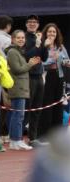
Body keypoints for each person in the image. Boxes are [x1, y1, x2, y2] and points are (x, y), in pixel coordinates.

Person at [6, 31, 41, 150]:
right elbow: (17, 69)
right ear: (13, 39)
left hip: (22, 87)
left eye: (22, 38)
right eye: (18, 38)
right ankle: (16, 140)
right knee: (18, 115)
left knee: (17, 114)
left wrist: (29, 64)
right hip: (17, 87)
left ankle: (14, 140)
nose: (21, 40)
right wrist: (29, 64)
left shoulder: (19, 52)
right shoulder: (12, 52)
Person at [38, 23, 69, 137]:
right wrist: (52, 60)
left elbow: (66, 59)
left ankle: (57, 134)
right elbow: (40, 63)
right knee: (47, 105)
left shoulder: (60, 46)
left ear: (57, 34)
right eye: (49, 31)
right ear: (45, 33)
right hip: (47, 77)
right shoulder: (42, 46)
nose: (52, 34)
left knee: (58, 105)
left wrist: (66, 62)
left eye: (54, 32)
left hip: (59, 77)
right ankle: (44, 133)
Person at [22, 15, 47, 145]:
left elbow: (44, 57)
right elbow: (27, 56)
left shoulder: (38, 37)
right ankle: (17, 138)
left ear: (38, 24)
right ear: (26, 24)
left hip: (39, 76)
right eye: (30, 22)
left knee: (37, 109)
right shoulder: (23, 37)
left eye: (35, 22)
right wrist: (37, 45)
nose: (32, 24)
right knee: (27, 108)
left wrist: (45, 45)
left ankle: (33, 138)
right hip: (28, 76)